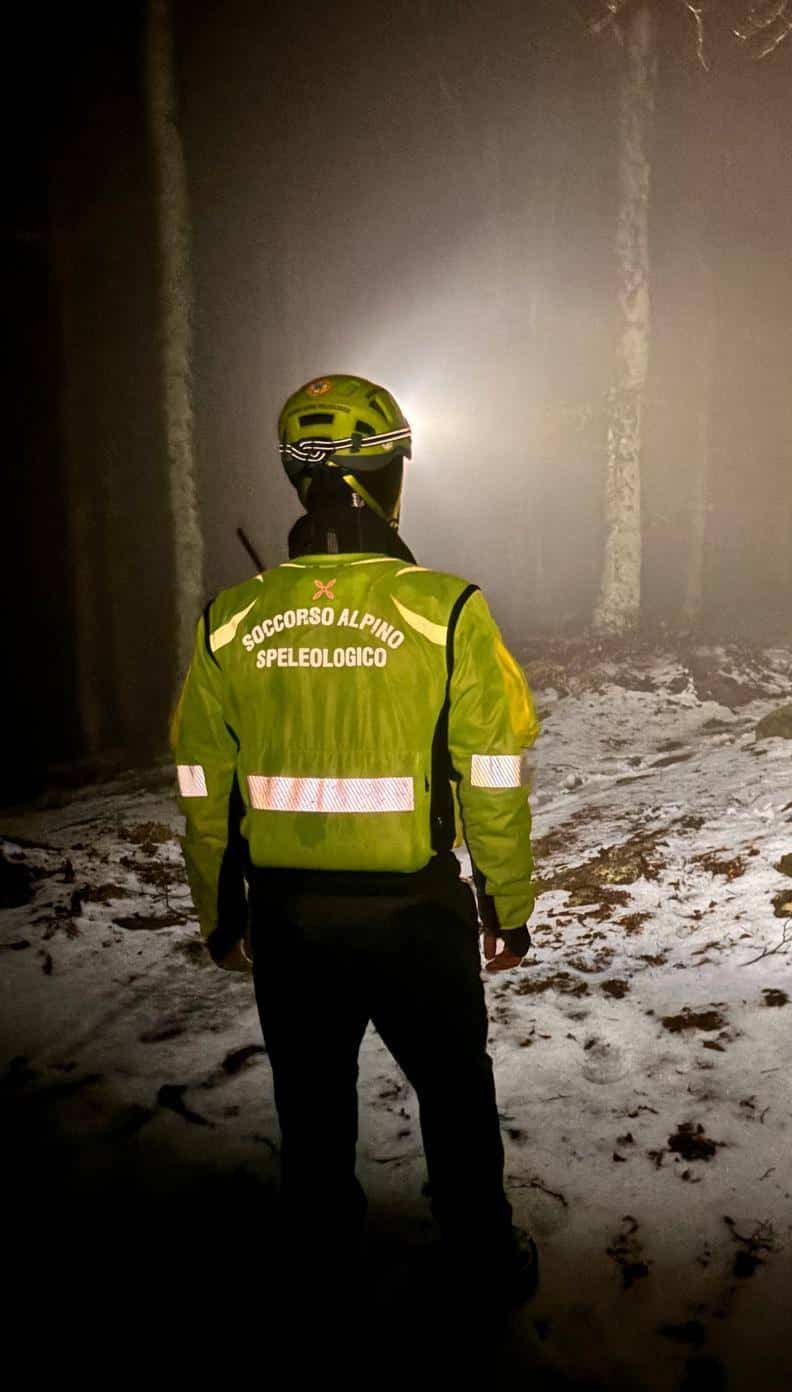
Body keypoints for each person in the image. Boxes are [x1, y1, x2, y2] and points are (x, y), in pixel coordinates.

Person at [170, 373, 540, 1308]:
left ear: (301, 480)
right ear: (388, 473)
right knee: (454, 1094)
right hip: (417, 915)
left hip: (290, 921)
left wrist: (220, 911)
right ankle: (482, 1262)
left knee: (310, 1105)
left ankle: (319, 1268)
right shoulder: (448, 609)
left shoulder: (230, 619)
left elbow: (203, 784)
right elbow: (494, 772)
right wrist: (506, 904)